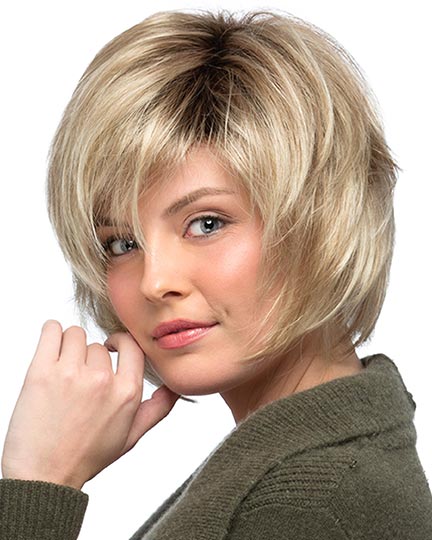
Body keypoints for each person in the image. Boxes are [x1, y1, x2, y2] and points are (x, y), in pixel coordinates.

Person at [0, 9, 431, 540]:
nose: (154, 282)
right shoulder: (296, 472)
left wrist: (42, 484)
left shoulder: (308, 511)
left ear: (324, 220)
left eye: (206, 223)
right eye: (122, 243)